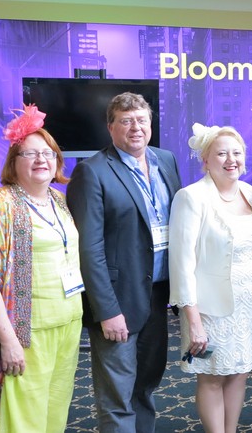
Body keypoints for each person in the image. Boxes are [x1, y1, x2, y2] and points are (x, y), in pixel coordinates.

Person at [66, 92, 182, 432]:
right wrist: (106, 310)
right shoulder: (92, 172)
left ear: (150, 124)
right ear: (110, 127)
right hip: (117, 300)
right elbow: (89, 249)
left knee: (146, 385)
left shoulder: (166, 160)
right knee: (117, 395)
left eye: (141, 120)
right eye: (126, 121)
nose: (136, 127)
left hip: (158, 293)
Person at [0, 105, 83, 431]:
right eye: (30, 153)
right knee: (25, 420)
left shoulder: (59, 200)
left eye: (48, 153)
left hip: (68, 323)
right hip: (26, 332)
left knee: (55, 412)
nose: (41, 159)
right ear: (13, 163)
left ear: (58, 160)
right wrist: (10, 341)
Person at [168, 124, 252, 433]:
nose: (230, 160)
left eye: (236, 153)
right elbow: (182, 263)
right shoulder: (191, 197)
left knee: (239, 372)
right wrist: (193, 320)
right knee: (211, 375)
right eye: (221, 153)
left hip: (248, 306)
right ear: (205, 160)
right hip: (208, 309)